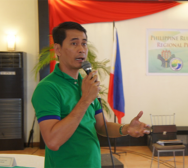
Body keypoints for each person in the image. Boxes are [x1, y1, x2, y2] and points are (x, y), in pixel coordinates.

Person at [31, 22, 150, 168]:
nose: (81, 49)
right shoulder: (48, 88)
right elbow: (53, 141)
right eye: (74, 43)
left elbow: (101, 126)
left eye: (84, 44)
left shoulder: (86, 84)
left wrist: (126, 129)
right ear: (58, 49)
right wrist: (86, 99)